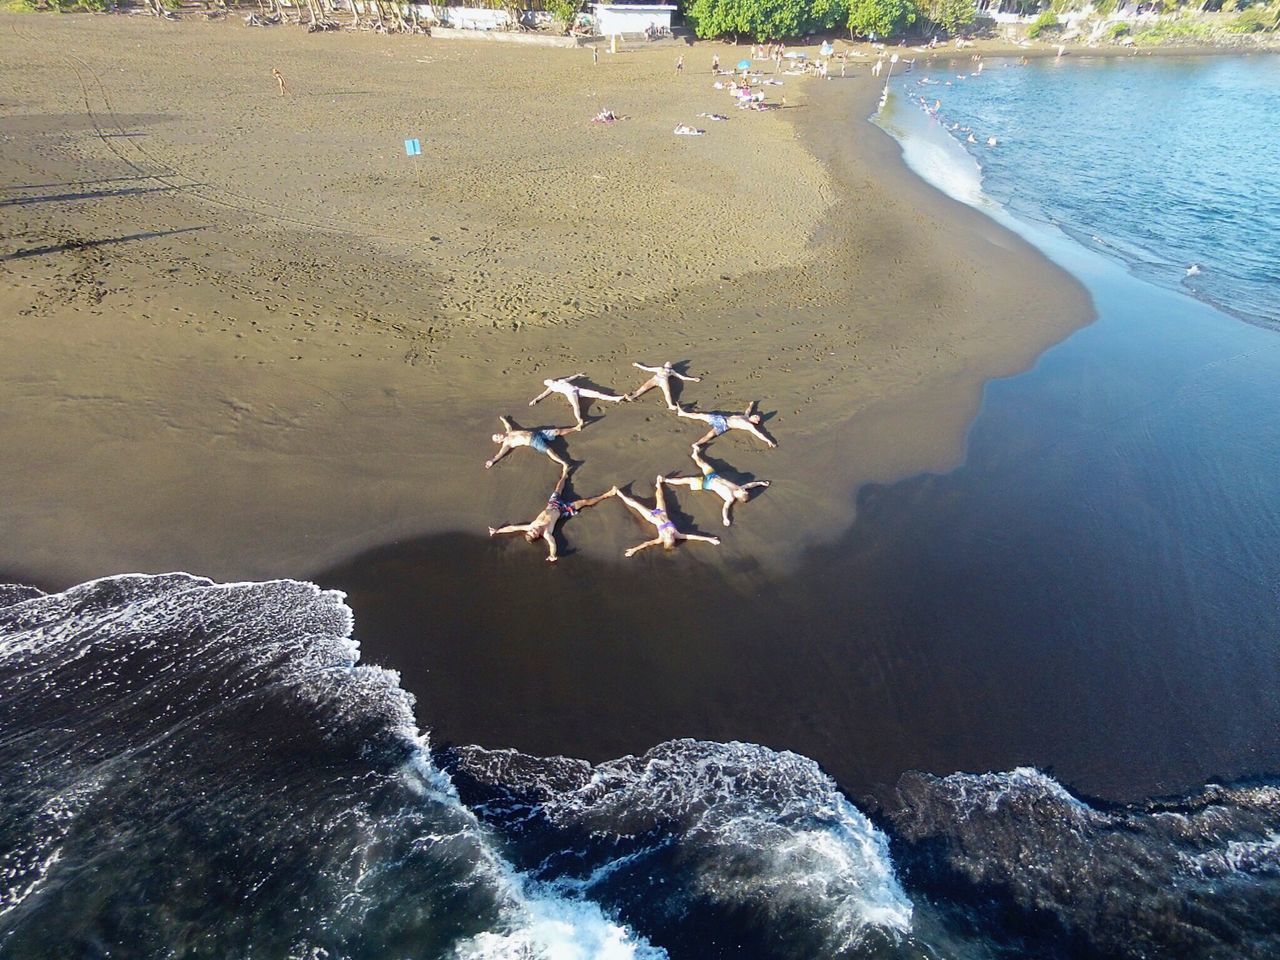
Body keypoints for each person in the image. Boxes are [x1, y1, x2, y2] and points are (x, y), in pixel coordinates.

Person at [488, 465, 615, 562]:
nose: (534, 530)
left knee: (558, 488)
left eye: (531, 531)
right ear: (537, 536)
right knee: (584, 502)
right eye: (534, 533)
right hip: (563, 510)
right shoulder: (546, 533)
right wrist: (552, 555)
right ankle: (607, 494)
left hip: (552, 504)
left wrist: (497, 531)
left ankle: (565, 473)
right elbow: (552, 544)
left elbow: (513, 528)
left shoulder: (530, 526)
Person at [661, 444, 771, 527]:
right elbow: (751, 484)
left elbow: (726, 508)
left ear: (740, 496)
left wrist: (725, 519)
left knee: (687, 480)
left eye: (744, 492)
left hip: (707, 483)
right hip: (713, 476)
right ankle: (695, 455)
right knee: (703, 464)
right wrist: (761, 483)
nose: (744, 489)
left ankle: (666, 480)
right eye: (745, 490)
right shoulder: (739, 487)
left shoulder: (730, 498)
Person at [614, 478, 721, 557]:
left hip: (651, 516)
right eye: (672, 538)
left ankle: (618, 493)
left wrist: (633, 550)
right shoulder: (678, 534)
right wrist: (709, 539)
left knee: (635, 504)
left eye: (668, 538)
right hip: (662, 512)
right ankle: (659, 484)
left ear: (664, 540)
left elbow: (646, 544)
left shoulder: (660, 539)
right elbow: (694, 536)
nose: (670, 535)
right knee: (660, 496)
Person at [528, 374, 627, 428]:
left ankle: (616, 398)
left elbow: (570, 378)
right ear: (548, 385)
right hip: (571, 394)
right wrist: (535, 400)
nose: (550, 381)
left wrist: (578, 374)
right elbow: (543, 395)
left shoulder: (560, 381)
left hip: (578, 390)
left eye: (549, 380)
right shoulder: (552, 388)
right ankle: (580, 421)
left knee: (597, 393)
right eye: (548, 382)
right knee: (576, 406)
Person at [485, 416, 579, 470]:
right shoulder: (506, 444)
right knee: (549, 451)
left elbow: (507, 425)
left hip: (537, 433)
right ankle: (563, 463)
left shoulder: (508, 432)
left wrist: (503, 420)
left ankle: (575, 428)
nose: (498, 435)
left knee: (557, 431)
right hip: (533, 441)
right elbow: (500, 454)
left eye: (497, 434)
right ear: (498, 441)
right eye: (497, 437)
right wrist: (492, 461)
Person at [676, 400, 776, 447]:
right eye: (756, 415)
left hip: (724, 425)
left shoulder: (749, 425)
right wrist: (752, 404)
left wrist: (768, 440)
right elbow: (749, 410)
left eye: (756, 417)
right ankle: (682, 413)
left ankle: (696, 444)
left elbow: (759, 434)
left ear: (755, 422)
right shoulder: (746, 416)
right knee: (701, 415)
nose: (755, 415)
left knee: (710, 435)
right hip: (721, 418)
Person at [624, 360, 701, 409]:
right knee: (643, 388)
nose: (668, 363)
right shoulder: (659, 368)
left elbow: (682, 377)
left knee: (667, 393)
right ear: (665, 365)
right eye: (667, 363)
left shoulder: (672, 371)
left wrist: (693, 379)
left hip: (664, 380)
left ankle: (670, 405)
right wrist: (637, 365)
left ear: (670, 366)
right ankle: (632, 397)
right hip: (656, 378)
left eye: (670, 364)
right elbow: (647, 368)